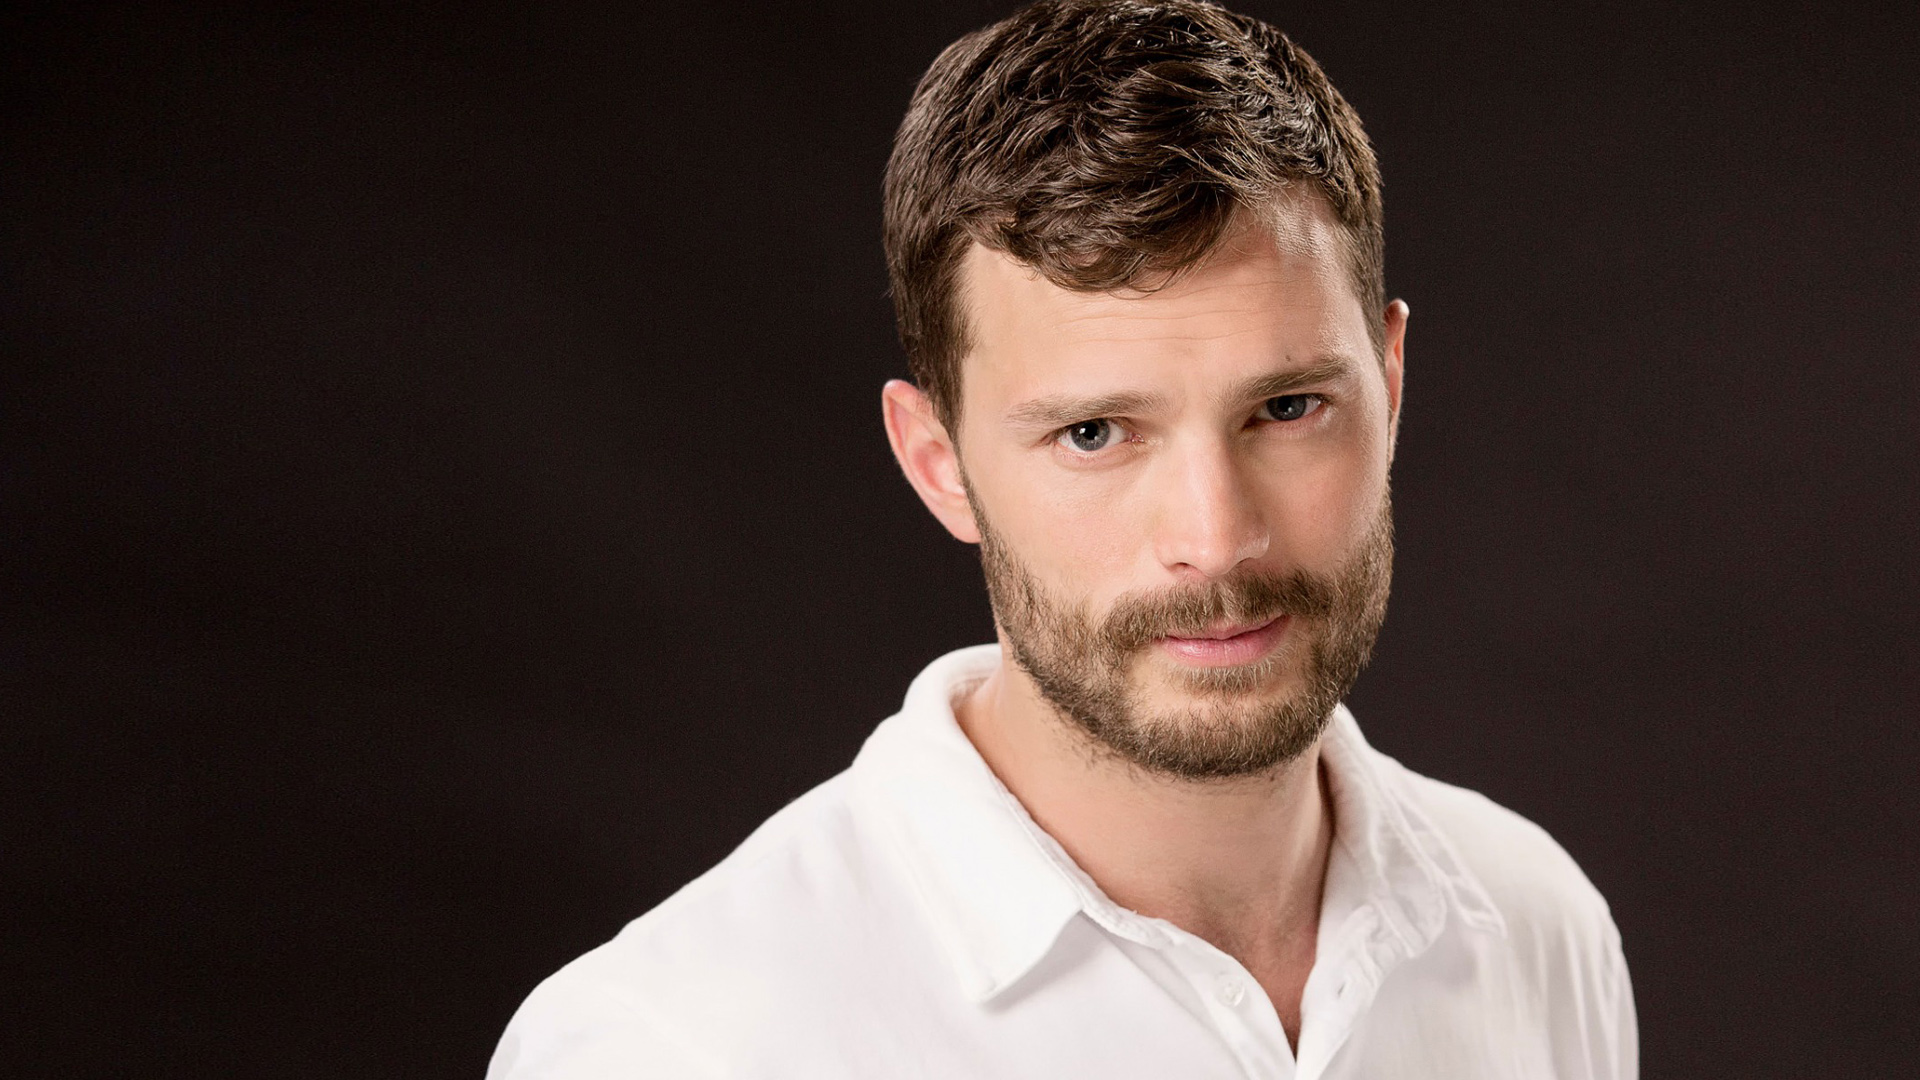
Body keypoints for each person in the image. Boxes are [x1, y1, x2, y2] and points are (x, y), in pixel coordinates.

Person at [488, 1, 1637, 1076]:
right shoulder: (671, 1044)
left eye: (1288, 408)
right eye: (1094, 433)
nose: (1216, 539)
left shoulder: (1535, 928)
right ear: (938, 463)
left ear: (1389, 384)